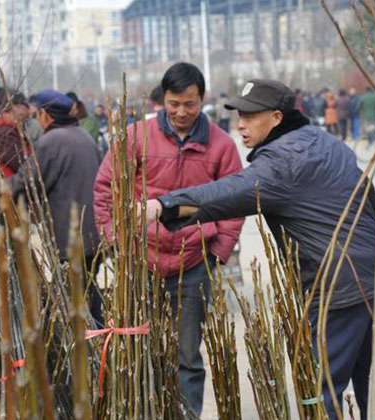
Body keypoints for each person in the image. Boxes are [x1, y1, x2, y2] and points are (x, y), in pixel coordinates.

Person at [143, 79, 375, 420]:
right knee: (374, 383)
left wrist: (164, 206)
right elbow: (368, 200)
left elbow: (229, 193)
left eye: (250, 115)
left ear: (275, 117)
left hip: (337, 287)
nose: (240, 123)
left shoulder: (284, 161)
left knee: (323, 391)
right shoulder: (324, 142)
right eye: (239, 114)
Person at [93, 62, 244, 417]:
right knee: (138, 346)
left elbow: (236, 201)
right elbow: (105, 189)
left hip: (193, 263)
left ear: (201, 100)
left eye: (189, 104)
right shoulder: (136, 137)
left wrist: (217, 253)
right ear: (163, 100)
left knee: (187, 356)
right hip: (141, 262)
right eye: (173, 103)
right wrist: (116, 241)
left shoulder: (221, 145)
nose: (180, 112)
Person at [12, 89, 103, 324]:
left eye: (36, 115)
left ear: (46, 115)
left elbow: (25, 182)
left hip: (70, 235)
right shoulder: (84, 136)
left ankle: (89, 350)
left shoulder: (51, 141)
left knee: (77, 299)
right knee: (89, 292)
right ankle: (98, 344)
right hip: (95, 233)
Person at [0, 87, 31, 176]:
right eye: (21, 105)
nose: (26, 109)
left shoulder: (2, 129)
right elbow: (23, 165)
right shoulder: (5, 134)